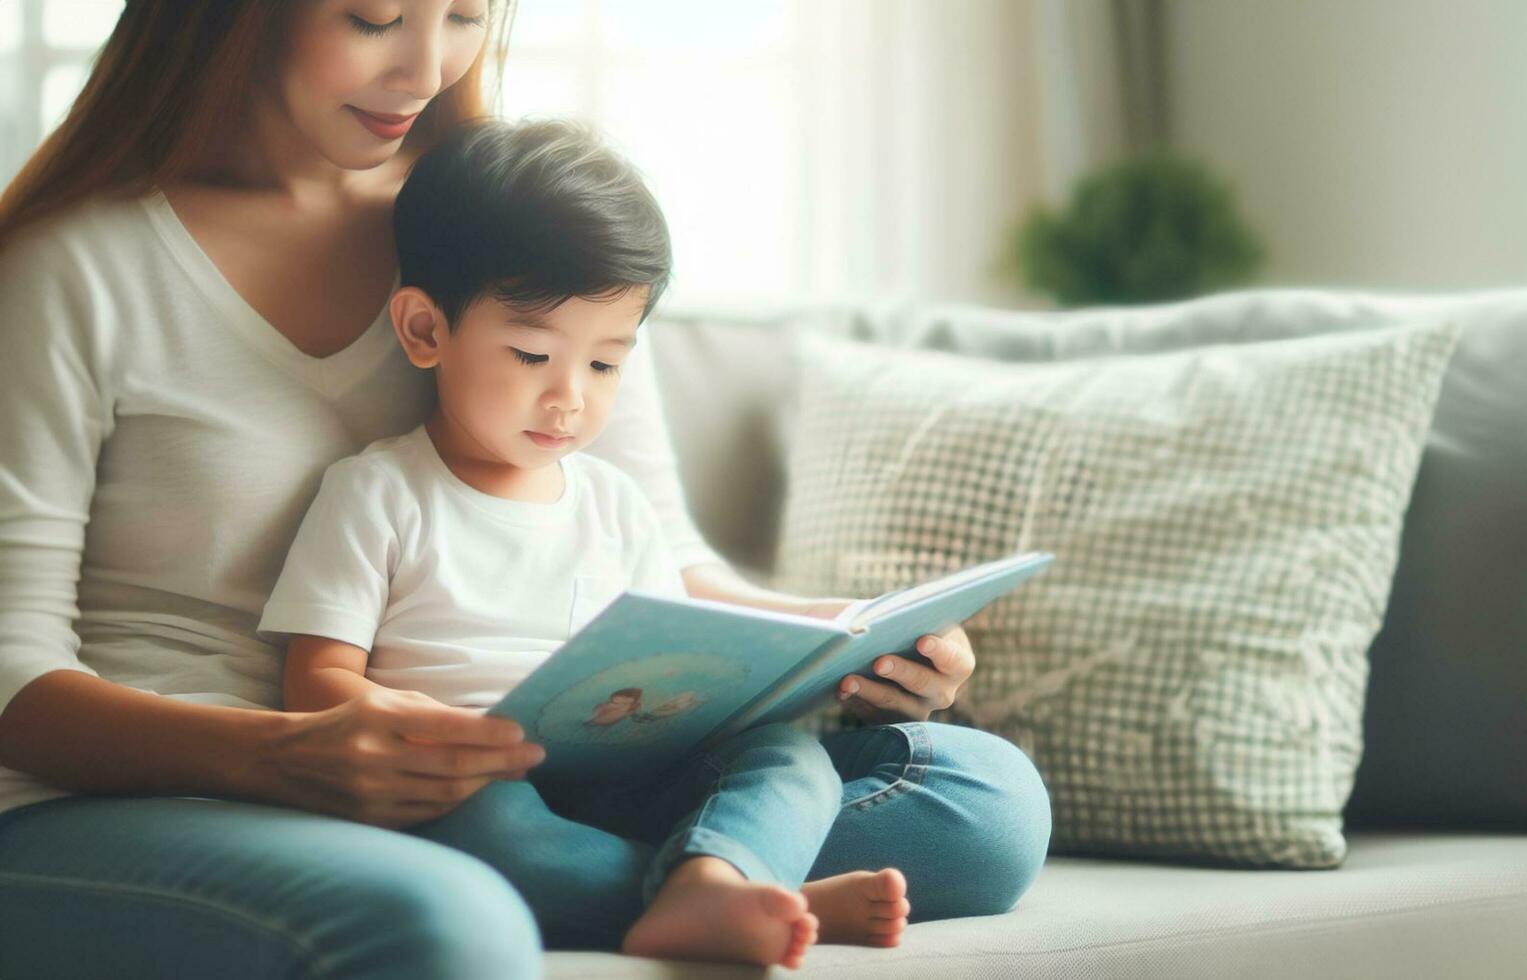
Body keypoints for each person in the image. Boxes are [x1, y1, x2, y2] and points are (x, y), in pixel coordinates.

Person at [0, 2, 1050, 978]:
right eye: (373, 16)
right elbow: (14, 678)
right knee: (449, 916)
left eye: (463, 15)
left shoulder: (513, 226)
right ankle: (721, 881)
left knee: (979, 801)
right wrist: (287, 755)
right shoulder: (76, 267)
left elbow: (664, 567)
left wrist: (857, 638)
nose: (427, 65)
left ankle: (707, 878)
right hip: (168, 791)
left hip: (528, 767)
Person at [260, 117, 880, 968]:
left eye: (604, 366)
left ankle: (717, 875)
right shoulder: (378, 491)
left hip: (628, 776)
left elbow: (673, 650)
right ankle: (737, 894)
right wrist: (432, 735)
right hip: (474, 781)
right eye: (531, 354)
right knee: (480, 824)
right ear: (424, 331)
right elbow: (315, 680)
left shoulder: (616, 504)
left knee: (787, 756)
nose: (570, 401)